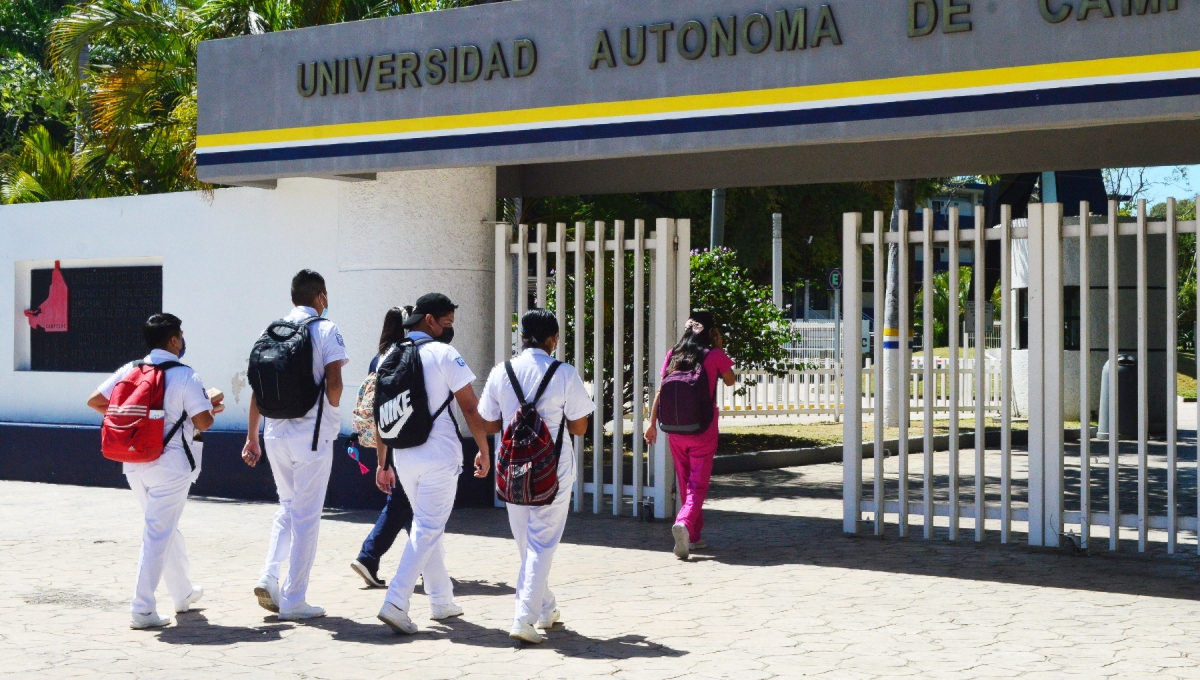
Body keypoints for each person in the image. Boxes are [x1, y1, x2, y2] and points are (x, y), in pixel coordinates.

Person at [87, 313, 224, 629]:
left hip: (134, 463)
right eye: (181, 336)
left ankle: (183, 594)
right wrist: (206, 405)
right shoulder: (185, 375)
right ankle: (142, 608)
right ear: (174, 340)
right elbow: (204, 422)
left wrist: (135, 421)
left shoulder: (130, 369)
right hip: (170, 465)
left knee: (164, 527)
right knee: (158, 532)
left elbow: (95, 401)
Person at [376, 293, 492, 635]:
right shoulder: (444, 354)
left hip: (403, 456)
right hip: (438, 454)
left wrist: (383, 462)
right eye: (447, 323)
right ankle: (396, 601)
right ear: (429, 320)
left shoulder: (390, 355)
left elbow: (378, 413)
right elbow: (470, 407)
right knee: (428, 527)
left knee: (428, 527)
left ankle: (442, 600)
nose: (449, 331)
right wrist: (484, 449)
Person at [479, 309, 593, 644]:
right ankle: (524, 618)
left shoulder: (502, 371)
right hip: (552, 470)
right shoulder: (564, 373)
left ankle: (546, 608)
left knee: (527, 543)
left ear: (522, 337)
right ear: (553, 339)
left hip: (514, 470)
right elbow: (580, 426)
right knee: (541, 544)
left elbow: (489, 424)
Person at [242, 270, 348, 621]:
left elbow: (258, 388)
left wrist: (251, 436)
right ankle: (294, 599)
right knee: (306, 517)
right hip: (312, 436)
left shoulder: (269, 331)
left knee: (287, 507)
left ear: (292, 299)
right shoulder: (326, 329)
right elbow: (335, 383)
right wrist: (331, 417)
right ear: (320, 297)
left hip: (274, 435)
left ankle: (269, 576)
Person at [644, 310, 736, 561]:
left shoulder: (673, 355)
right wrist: (719, 347)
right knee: (698, 484)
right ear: (711, 331)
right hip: (703, 429)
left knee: (685, 482)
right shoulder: (713, 355)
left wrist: (651, 424)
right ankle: (684, 523)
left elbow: (662, 390)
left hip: (675, 430)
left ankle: (693, 537)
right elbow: (730, 380)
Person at [351, 306, 415, 588]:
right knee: (403, 501)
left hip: (386, 440)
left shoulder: (378, 359)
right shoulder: (405, 359)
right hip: (403, 441)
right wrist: (384, 462)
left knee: (411, 504)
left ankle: (423, 562)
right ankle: (369, 556)